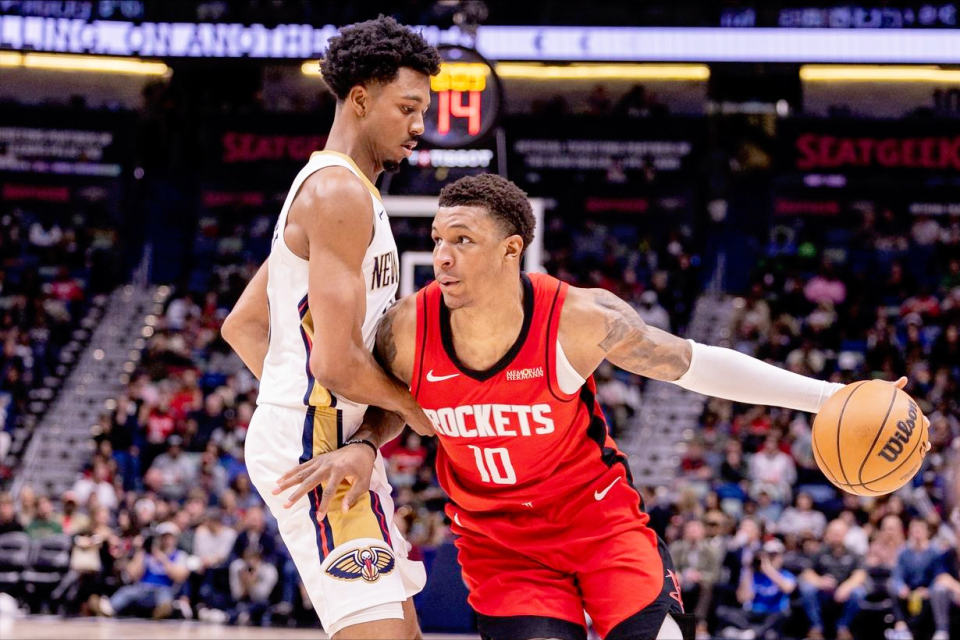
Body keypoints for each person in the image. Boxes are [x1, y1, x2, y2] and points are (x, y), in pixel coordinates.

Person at [276, 174, 930, 640]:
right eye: (438, 238)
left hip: (600, 526)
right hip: (502, 547)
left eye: (463, 240)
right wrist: (365, 444)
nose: (442, 257)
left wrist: (828, 396)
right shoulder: (407, 330)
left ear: (512, 249)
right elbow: (398, 404)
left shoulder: (578, 320)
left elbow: (694, 363)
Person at [220, 15, 440, 640]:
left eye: (422, 111)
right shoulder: (337, 194)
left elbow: (243, 325)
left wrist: (315, 405)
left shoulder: (344, 191)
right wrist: (417, 410)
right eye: (407, 108)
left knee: (404, 634)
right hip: (314, 446)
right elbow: (334, 362)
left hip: (334, 438)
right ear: (361, 99)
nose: (418, 127)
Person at [716, 539, 797, 640]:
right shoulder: (755, 575)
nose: (771, 559)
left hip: (773, 613)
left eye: (774, 556)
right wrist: (748, 569)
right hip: (754, 612)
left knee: (784, 615)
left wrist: (768, 568)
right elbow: (743, 598)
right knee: (722, 611)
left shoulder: (786, 574)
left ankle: (752, 633)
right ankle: (751, 631)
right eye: (769, 556)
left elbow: (787, 588)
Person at [798, 519, 865, 640]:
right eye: (833, 533)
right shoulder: (819, 552)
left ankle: (843, 627)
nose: (836, 536)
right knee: (807, 588)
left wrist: (846, 587)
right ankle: (816, 628)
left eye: (839, 533)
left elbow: (860, 575)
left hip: (844, 591)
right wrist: (819, 581)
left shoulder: (853, 553)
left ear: (845, 534)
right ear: (827, 534)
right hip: (823, 591)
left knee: (859, 592)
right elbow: (807, 572)